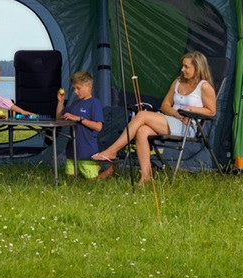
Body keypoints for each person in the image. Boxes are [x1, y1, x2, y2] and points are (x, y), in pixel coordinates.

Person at [92, 51, 216, 185]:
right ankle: (146, 176)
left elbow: (211, 111)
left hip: (187, 126)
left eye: (186, 67)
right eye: (182, 66)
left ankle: (112, 150)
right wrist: (176, 113)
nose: (182, 69)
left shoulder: (204, 86)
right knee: (142, 131)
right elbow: (165, 105)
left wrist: (191, 109)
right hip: (172, 119)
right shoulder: (178, 82)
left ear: (197, 69)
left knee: (142, 115)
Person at [56, 70, 105, 180]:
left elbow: (98, 126)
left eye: (78, 88)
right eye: (74, 89)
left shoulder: (94, 103)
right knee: (70, 179)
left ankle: (109, 170)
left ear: (89, 86)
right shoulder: (76, 104)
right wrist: (60, 102)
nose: (76, 92)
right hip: (72, 152)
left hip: (87, 152)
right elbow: (59, 117)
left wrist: (79, 119)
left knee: (92, 181)